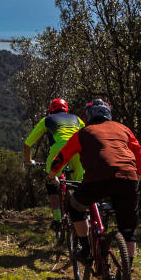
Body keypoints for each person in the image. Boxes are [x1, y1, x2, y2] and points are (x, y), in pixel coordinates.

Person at [49, 99, 141, 261]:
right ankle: (127, 271)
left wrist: (52, 175)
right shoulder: (124, 129)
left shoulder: (84, 133)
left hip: (97, 180)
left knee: (74, 207)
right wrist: (138, 178)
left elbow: (61, 158)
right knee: (129, 231)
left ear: (88, 116)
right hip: (128, 179)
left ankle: (86, 249)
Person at [23, 98, 85, 230]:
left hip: (59, 150)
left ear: (51, 110)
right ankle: (82, 214)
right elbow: (88, 133)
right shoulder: (77, 119)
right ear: (66, 109)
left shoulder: (47, 120)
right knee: (79, 184)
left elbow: (27, 144)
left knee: (51, 183)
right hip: (78, 149)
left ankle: (57, 220)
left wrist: (28, 161)